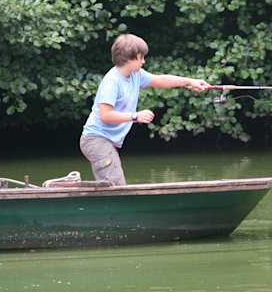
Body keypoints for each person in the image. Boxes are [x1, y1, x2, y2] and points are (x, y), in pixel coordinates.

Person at [80, 34, 210, 186]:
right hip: (95, 140)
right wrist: (135, 116)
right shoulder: (112, 82)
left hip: (105, 140)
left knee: (109, 185)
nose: (143, 61)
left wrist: (189, 82)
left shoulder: (136, 75)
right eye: (141, 58)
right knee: (116, 186)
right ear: (130, 59)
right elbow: (105, 115)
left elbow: (160, 80)